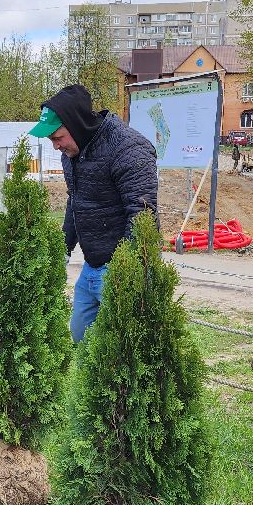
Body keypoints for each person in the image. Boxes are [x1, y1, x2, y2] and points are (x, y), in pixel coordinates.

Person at [30, 84, 158, 343]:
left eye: (57, 138)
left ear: (75, 125)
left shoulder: (129, 149)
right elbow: (75, 200)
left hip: (120, 269)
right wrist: (64, 249)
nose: (55, 147)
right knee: (80, 338)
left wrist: (125, 273)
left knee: (117, 349)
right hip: (91, 267)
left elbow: (142, 216)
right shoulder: (72, 153)